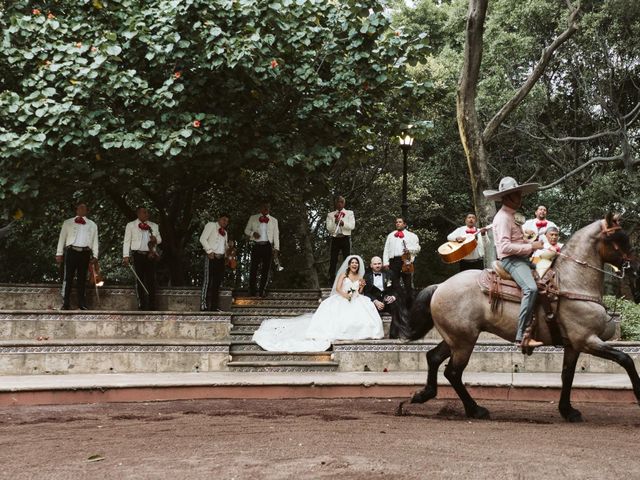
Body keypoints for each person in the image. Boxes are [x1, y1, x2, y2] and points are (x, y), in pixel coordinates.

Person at [252, 255, 384, 352]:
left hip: (356, 299)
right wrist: (346, 296)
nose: (355, 265)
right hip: (343, 298)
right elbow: (338, 289)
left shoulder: (361, 277)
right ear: (349, 265)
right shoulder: (343, 275)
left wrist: (361, 287)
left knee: (365, 312)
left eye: (356, 263)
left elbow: (360, 292)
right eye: (352, 263)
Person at [484, 177, 544, 348]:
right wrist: (530, 246)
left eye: (519, 194)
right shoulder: (503, 217)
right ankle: (521, 336)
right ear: (507, 197)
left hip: (521, 259)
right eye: (516, 195)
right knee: (530, 289)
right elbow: (505, 247)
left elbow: (515, 240)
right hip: (511, 261)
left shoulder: (511, 215)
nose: (520, 197)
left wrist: (529, 243)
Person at [55, 202, 99, 310]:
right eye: (80, 207)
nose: (82, 209)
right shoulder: (68, 222)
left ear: (87, 211)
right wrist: (59, 253)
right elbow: (62, 238)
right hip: (71, 251)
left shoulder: (92, 225)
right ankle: (65, 303)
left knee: (82, 278)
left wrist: (95, 255)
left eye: (84, 208)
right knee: (68, 277)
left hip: (85, 253)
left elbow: (95, 241)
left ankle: (82, 303)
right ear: (76, 209)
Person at [123, 207, 162, 311]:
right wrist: (125, 255)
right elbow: (127, 241)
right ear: (138, 213)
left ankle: (152, 304)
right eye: (144, 212)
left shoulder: (154, 225)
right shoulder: (131, 225)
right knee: (139, 279)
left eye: (147, 212)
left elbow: (159, 239)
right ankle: (141, 304)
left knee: (151, 279)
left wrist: (155, 239)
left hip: (150, 254)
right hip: (138, 254)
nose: (146, 214)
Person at [363, 256, 407, 339]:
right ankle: (373, 335)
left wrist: (393, 297)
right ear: (371, 265)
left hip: (388, 301)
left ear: (382, 264)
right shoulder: (366, 277)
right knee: (367, 309)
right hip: (374, 303)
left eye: (379, 263)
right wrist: (375, 301)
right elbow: (366, 293)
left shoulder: (390, 273)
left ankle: (393, 336)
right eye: (375, 264)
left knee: (397, 307)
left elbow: (398, 289)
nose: (377, 265)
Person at [244, 202, 280, 297]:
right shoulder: (253, 218)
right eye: (264, 207)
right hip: (256, 245)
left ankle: (262, 290)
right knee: (253, 268)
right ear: (260, 208)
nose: (266, 209)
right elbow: (246, 230)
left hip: (268, 246)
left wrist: (276, 248)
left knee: (266, 269)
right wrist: (252, 233)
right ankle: (252, 290)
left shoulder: (274, 220)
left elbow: (276, 235)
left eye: (268, 207)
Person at [383, 217, 420, 306]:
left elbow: (418, 249)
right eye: (396, 222)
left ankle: (409, 306)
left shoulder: (412, 236)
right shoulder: (391, 235)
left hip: (406, 261)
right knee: (394, 284)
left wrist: (409, 250)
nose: (398, 223)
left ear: (405, 224)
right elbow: (386, 249)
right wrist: (385, 262)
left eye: (400, 222)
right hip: (393, 261)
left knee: (408, 284)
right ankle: (397, 305)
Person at [199, 213, 230, 312]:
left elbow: (224, 247)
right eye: (224, 220)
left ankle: (214, 306)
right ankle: (203, 305)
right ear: (219, 219)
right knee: (207, 281)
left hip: (220, 259)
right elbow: (202, 239)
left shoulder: (225, 232)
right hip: (211, 257)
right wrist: (209, 251)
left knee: (217, 283)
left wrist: (228, 252)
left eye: (227, 221)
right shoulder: (211, 225)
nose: (225, 222)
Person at [326, 196, 355, 281]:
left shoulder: (350, 213)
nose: (339, 204)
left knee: (348, 259)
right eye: (338, 202)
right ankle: (331, 279)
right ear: (335, 203)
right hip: (335, 239)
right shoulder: (330, 215)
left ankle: (348, 278)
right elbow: (329, 228)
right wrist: (335, 223)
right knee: (333, 259)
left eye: (341, 202)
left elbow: (352, 226)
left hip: (345, 238)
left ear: (344, 203)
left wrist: (343, 223)